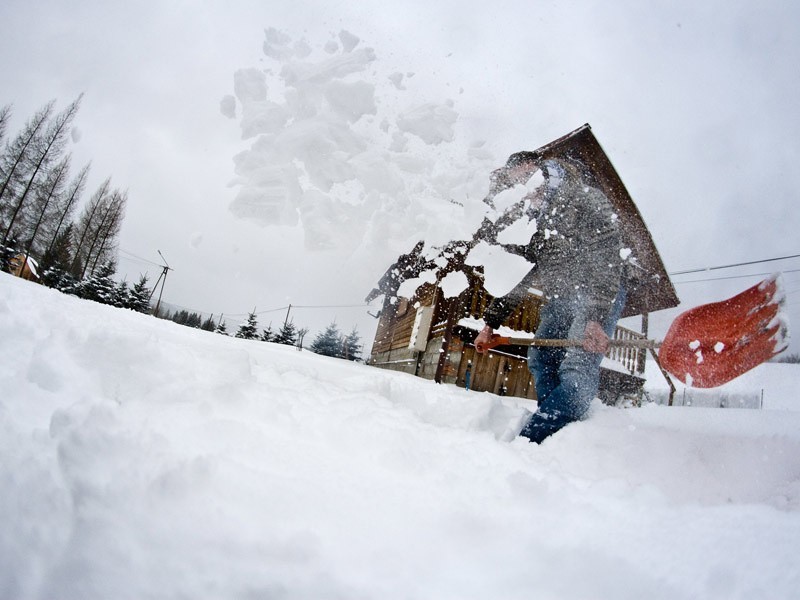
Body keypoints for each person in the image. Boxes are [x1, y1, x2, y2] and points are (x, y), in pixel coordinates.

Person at [474, 151, 628, 443]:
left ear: (536, 168)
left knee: (576, 367)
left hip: (598, 293)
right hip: (563, 295)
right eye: (516, 185)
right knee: (542, 357)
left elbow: (607, 255)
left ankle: (533, 440)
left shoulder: (583, 199)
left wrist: (595, 316)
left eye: (524, 179)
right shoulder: (535, 221)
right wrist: (490, 323)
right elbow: (519, 275)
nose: (523, 191)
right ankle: (561, 431)